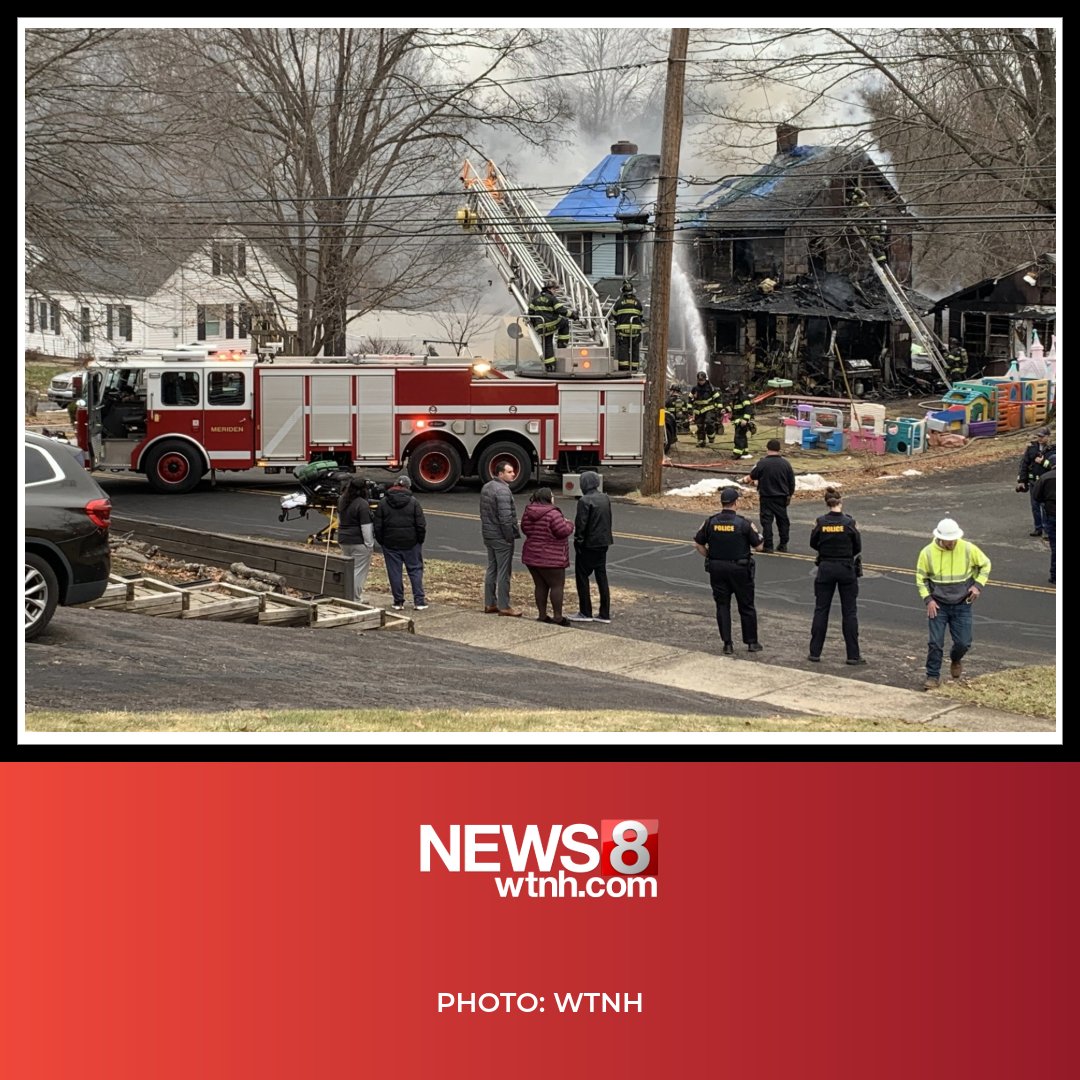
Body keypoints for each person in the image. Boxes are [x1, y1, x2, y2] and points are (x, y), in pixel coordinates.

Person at [915, 518, 992, 689]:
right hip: (938, 605)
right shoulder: (927, 553)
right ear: (940, 538)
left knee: (963, 643)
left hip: (962, 604)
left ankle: (956, 659)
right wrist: (928, 600)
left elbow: (985, 565)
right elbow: (921, 579)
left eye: (954, 540)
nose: (952, 543)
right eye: (948, 541)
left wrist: (978, 586)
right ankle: (932, 676)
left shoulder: (968, 548)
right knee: (935, 643)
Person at [694, 486, 764, 654]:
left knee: (722, 606)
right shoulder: (744, 523)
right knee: (746, 605)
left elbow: (698, 543)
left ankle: (727, 644)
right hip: (740, 569)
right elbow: (759, 546)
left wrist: (710, 556)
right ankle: (752, 642)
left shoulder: (710, 522)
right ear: (735, 503)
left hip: (717, 568)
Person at [807, 487, 864, 664]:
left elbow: (813, 543)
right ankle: (853, 655)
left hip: (826, 567)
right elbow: (857, 546)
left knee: (821, 610)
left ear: (826, 503)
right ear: (841, 502)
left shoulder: (821, 522)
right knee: (849, 612)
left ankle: (815, 652)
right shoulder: (849, 523)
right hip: (846, 567)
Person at [520, 487, 575, 625]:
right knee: (557, 586)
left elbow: (525, 529)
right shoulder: (553, 513)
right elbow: (562, 531)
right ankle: (558, 617)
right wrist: (569, 523)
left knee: (540, 586)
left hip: (532, 555)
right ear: (549, 498)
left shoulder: (528, 512)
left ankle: (542, 615)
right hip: (552, 557)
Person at [373, 474, 428, 611]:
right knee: (415, 570)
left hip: (390, 543)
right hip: (411, 542)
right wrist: (419, 540)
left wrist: (382, 541)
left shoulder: (384, 502)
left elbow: (378, 525)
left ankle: (398, 601)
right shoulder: (413, 502)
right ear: (408, 487)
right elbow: (421, 525)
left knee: (394, 572)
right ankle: (419, 601)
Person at [567, 470, 613, 623]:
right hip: (603, 542)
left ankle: (585, 611)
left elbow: (581, 524)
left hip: (588, 544)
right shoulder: (605, 498)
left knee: (582, 577)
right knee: (601, 577)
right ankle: (604, 613)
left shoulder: (584, 501)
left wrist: (578, 542)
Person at [479, 460, 523, 615]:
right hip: (501, 536)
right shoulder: (503, 491)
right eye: (509, 472)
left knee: (492, 568)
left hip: (488, 534)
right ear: (500, 473)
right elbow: (505, 518)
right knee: (504, 572)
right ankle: (504, 606)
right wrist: (509, 536)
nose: (513, 474)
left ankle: (490, 603)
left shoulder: (487, 487)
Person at [743, 439, 796, 552]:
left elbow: (753, 475)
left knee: (767, 522)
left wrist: (747, 480)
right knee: (783, 521)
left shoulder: (762, 463)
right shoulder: (785, 464)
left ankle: (768, 545)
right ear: (779, 449)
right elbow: (791, 482)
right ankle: (783, 544)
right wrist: (789, 495)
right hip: (781, 497)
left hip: (766, 497)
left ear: (767, 449)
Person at [336, 476, 375, 603]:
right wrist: (369, 545)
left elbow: (339, 520)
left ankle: (347, 595)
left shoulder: (342, 500)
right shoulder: (362, 504)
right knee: (359, 571)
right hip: (358, 541)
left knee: (349, 569)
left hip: (343, 539)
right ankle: (355, 598)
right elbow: (366, 527)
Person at [1016, 426, 1054, 537]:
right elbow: (1024, 464)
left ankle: (1047, 530)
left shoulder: (1053, 449)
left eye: (1042, 437)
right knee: (1035, 506)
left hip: (1046, 482)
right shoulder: (1032, 448)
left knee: (1045, 506)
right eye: (1038, 436)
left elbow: (1054, 466)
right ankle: (1038, 528)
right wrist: (1022, 480)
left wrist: (1043, 462)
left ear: (1048, 437)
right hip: (1033, 481)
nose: (1039, 439)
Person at [527, 279, 573, 371]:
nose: (555, 291)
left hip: (541, 326)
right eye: (555, 289)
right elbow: (561, 311)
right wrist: (573, 315)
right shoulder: (552, 298)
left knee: (547, 344)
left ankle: (550, 366)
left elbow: (530, 312)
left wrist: (536, 325)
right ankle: (562, 343)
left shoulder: (535, 299)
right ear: (550, 289)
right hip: (552, 324)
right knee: (564, 322)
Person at [1031, 454, 1056, 586]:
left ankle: (1055, 575)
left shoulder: (1045, 478)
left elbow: (1036, 496)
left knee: (1055, 546)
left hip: (1051, 514)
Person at [612, 280, 644, 371]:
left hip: (623, 331)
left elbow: (614, 314)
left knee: (623, 348)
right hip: (635, 331)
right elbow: (641, 315)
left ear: (623, 291)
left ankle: (624, 367)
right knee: (635, 348)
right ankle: (634, 367)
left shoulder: (619, 302)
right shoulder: (637, 302)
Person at [689, 371, 720, 447]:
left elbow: (718, 398)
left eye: (702, 380)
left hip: (709, 409)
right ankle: (701, 441)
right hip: (698, 410)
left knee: (709, 422)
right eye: (699, 380)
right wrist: (689, 409)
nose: (701, 382)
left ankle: (711, 436)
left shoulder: (711, 388)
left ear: (705, 379)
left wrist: (719, 408)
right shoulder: (694, 389)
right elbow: (690, 399)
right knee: (700, 426)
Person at [729, 384, 755, 461]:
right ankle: (744, 452)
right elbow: (733, 408)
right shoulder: (735, 397)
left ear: (738, 389)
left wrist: (745, 419)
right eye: (731, 390)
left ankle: (737, 454)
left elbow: (748, 409)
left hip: (742, 420)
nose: (732, 391)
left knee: (738, 437)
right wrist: (726, 410)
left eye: (733, 389)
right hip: (738, 420)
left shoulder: (743, 397)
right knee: (742, 436)